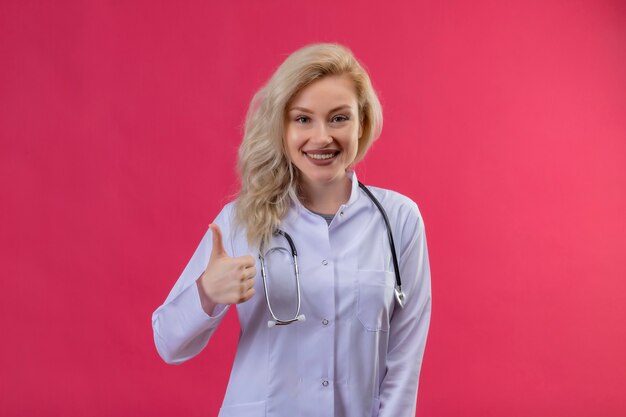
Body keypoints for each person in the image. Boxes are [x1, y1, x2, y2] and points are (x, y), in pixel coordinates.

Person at [152, 43, 432, 417]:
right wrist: (207, 292)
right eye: (303, 119)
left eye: (338, 118)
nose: (321, 137)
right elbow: (168, 343)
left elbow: (404, 362)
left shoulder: (399, 220)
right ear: (281, 126)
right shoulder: (240, 221)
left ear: (362, 123)